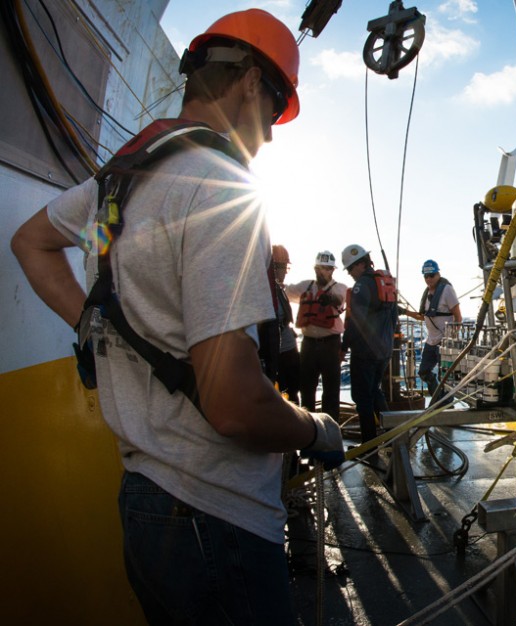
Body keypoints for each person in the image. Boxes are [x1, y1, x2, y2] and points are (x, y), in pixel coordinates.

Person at [10, 9, 344, 624]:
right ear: (248, 83)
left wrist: (90, 324)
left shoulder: (118, 183)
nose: (270, 133)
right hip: (219, 520)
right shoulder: (220, 189)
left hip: (143, 505)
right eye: (274, 109)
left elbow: (30, 241)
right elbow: (234, 405)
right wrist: (316, 429)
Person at [340, 244, 397, 443]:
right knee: (375, 392)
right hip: (384, 351)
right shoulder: (385, 282)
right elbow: (394, 318)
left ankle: (369, 445)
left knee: (362, 398)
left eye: (349, 269)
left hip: (365, 353)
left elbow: (356, 321)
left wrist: (343, 347)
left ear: (359, 265)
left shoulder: (361, 286)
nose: (349, 274)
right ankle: (394, 438)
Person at [284, 250, 346, 419]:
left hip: (331, 344)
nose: (323, 272)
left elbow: (339, 300)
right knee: (307, 389)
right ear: (315, 269)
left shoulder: (340, 288)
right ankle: (308, 429)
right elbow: (285, 290)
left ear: (332, 270)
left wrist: (330, 299)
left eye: (327, 268)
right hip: (308, 344)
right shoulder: (306, 286)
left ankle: (331, 429)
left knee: (331, 390)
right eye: (320, 268)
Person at [402, 259, 462, 398]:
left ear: (438, 274)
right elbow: (423, 316)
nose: (429, 279)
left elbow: (458, 317)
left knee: (445, 377)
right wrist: (404, 312)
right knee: (423, 372)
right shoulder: (428, 293)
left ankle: (445, 405)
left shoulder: (447, 290)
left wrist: (451, 340)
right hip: (431, 341)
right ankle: (437, 397)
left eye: (432, 275)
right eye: (426, 276)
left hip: (444, 341)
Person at [272, 245, 301, 403]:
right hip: (279, 352)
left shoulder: (279, 290)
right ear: (276, 267)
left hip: (288, 349)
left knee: (293, 391)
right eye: (285, 267)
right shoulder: (270, 292)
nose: (286, 272)